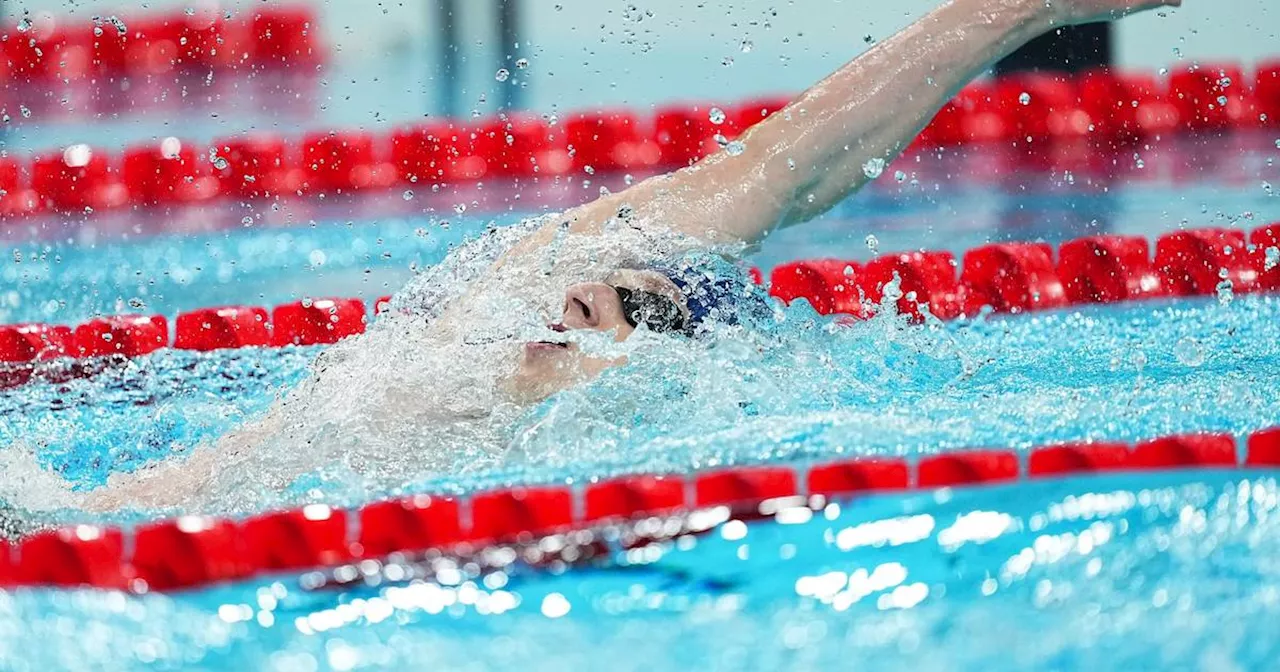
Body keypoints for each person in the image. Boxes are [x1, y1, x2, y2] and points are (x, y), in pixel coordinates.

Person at [3, 0, 1178, 516]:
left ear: (640, 369)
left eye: (609, 309)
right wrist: (1001, 12)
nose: (565, 296)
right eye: (592, 282)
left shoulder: (524, 457)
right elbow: (784, 171)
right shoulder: (452, 346)